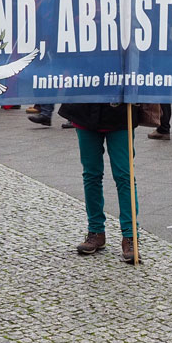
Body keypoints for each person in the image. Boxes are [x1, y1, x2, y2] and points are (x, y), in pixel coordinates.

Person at [59, 101, 140, 263]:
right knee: (91, 175)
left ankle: (130, 236)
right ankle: (96, 231)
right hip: (86, 113)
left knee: (125, 176)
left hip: (121, 114)